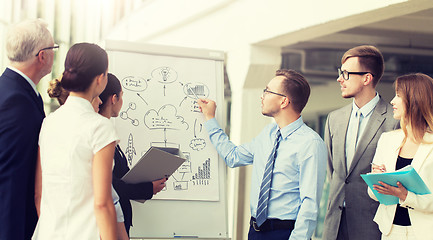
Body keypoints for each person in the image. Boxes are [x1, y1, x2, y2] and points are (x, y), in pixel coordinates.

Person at [197, 69, 327, 240]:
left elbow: (310, 204)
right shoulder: (268, 133)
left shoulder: (310, 143)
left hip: (286, 233)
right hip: (255, 231)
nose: (262, 96)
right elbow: (233, 156)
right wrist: (210, 118)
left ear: (284, 101)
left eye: (267, 91)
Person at [33, 43, 118, 240]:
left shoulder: (49, 123)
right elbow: (103, 203)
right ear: (100, 79)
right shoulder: (100, 127)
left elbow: (39, 194)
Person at [322, 45, 399, 240]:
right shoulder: (334, 119)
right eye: (341, 73)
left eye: (346, 74)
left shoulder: (394, 120)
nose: (340, 79)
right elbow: (334, 173)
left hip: (371, 225)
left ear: (367, 78)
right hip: (334, 224)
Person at [46, 77, 129, 240]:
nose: (100, 101)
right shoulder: (99, 132)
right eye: (96, 96)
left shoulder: (50, 126)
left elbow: (40, 194)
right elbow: (106, 201)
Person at [0, 19, 55, 240]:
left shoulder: (19, 90)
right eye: (54, 48)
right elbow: (11, 177)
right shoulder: (16, 100)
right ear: (42, 55)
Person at [98, 73, 167, 236]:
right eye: (122, 96)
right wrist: (148, 188)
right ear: (114, 98)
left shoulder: (107, 131)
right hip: (110, 226)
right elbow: (112, 187)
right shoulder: (101, 133)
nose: (122, 101)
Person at [368, 73, 433, 240]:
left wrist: (405, 196)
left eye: (398, 95)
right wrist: (377, 181)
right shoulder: (387, 140)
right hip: (391, 231)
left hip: (424, 233)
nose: (392, 101)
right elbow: (373, 193)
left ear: (415, 100)